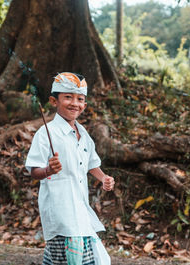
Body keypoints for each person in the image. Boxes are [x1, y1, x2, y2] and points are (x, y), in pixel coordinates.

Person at [25, 72, 115, 265]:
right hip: (60, 209)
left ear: (85, 104)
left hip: (81, 208)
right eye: (68, 97)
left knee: (90, 258)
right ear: (53, 101)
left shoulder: (83, 133)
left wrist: (103, 178)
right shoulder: (46, 133)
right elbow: (34, 171)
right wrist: (48, 170)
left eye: (80, 99)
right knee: (66, 257)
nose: (75, 103)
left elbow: (92, 164)